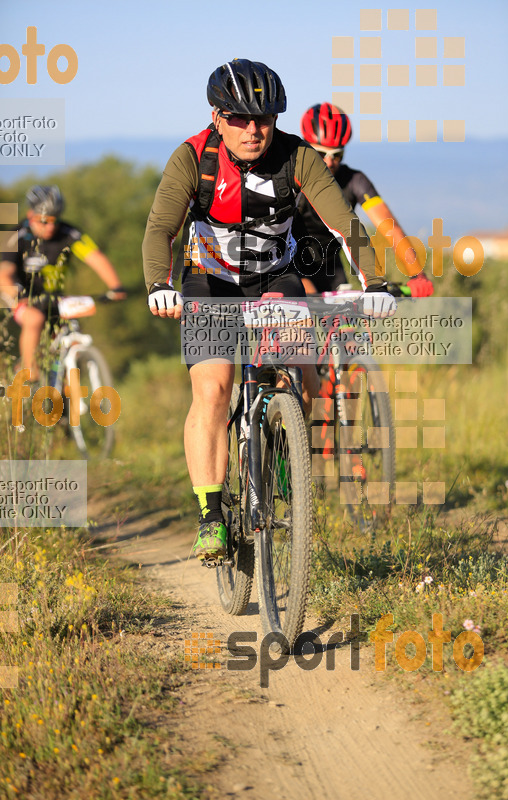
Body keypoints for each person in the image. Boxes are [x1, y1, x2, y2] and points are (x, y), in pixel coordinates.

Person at [143, 59, 396, 563]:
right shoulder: (193, 158)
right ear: (217, 116)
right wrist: (159, 285)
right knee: (213, 390)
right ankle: (211, 515)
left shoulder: (297, 157)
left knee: (287, 374)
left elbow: (345, 221)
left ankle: (283, 447)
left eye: (265, 118)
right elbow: (160, 230)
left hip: (272, 278)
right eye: (240, 118)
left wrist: (376, 282)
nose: (255, 130)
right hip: (208, 281)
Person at [293, 102, 434, 297]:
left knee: (346, 325)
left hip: (331, 267)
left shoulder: (354, 180)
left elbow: (389, 227)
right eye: (321, 153)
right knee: (302, 318)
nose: (329, 162)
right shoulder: (294, 175)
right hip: (292, 266)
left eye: (337, 155)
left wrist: (417, 275)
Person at [0, 185, 126, 379]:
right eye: (44, 221)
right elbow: (4, 274)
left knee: (72, 330)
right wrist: (18, 297)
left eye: (55, 220)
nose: (51, 226)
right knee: (34, 319)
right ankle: (28, 369)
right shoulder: (13, 235)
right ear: (30, 215)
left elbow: (95, 257)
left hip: (54, 298)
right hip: (19, 296)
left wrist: (115, 287)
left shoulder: (69, 233)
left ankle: (66, 387)